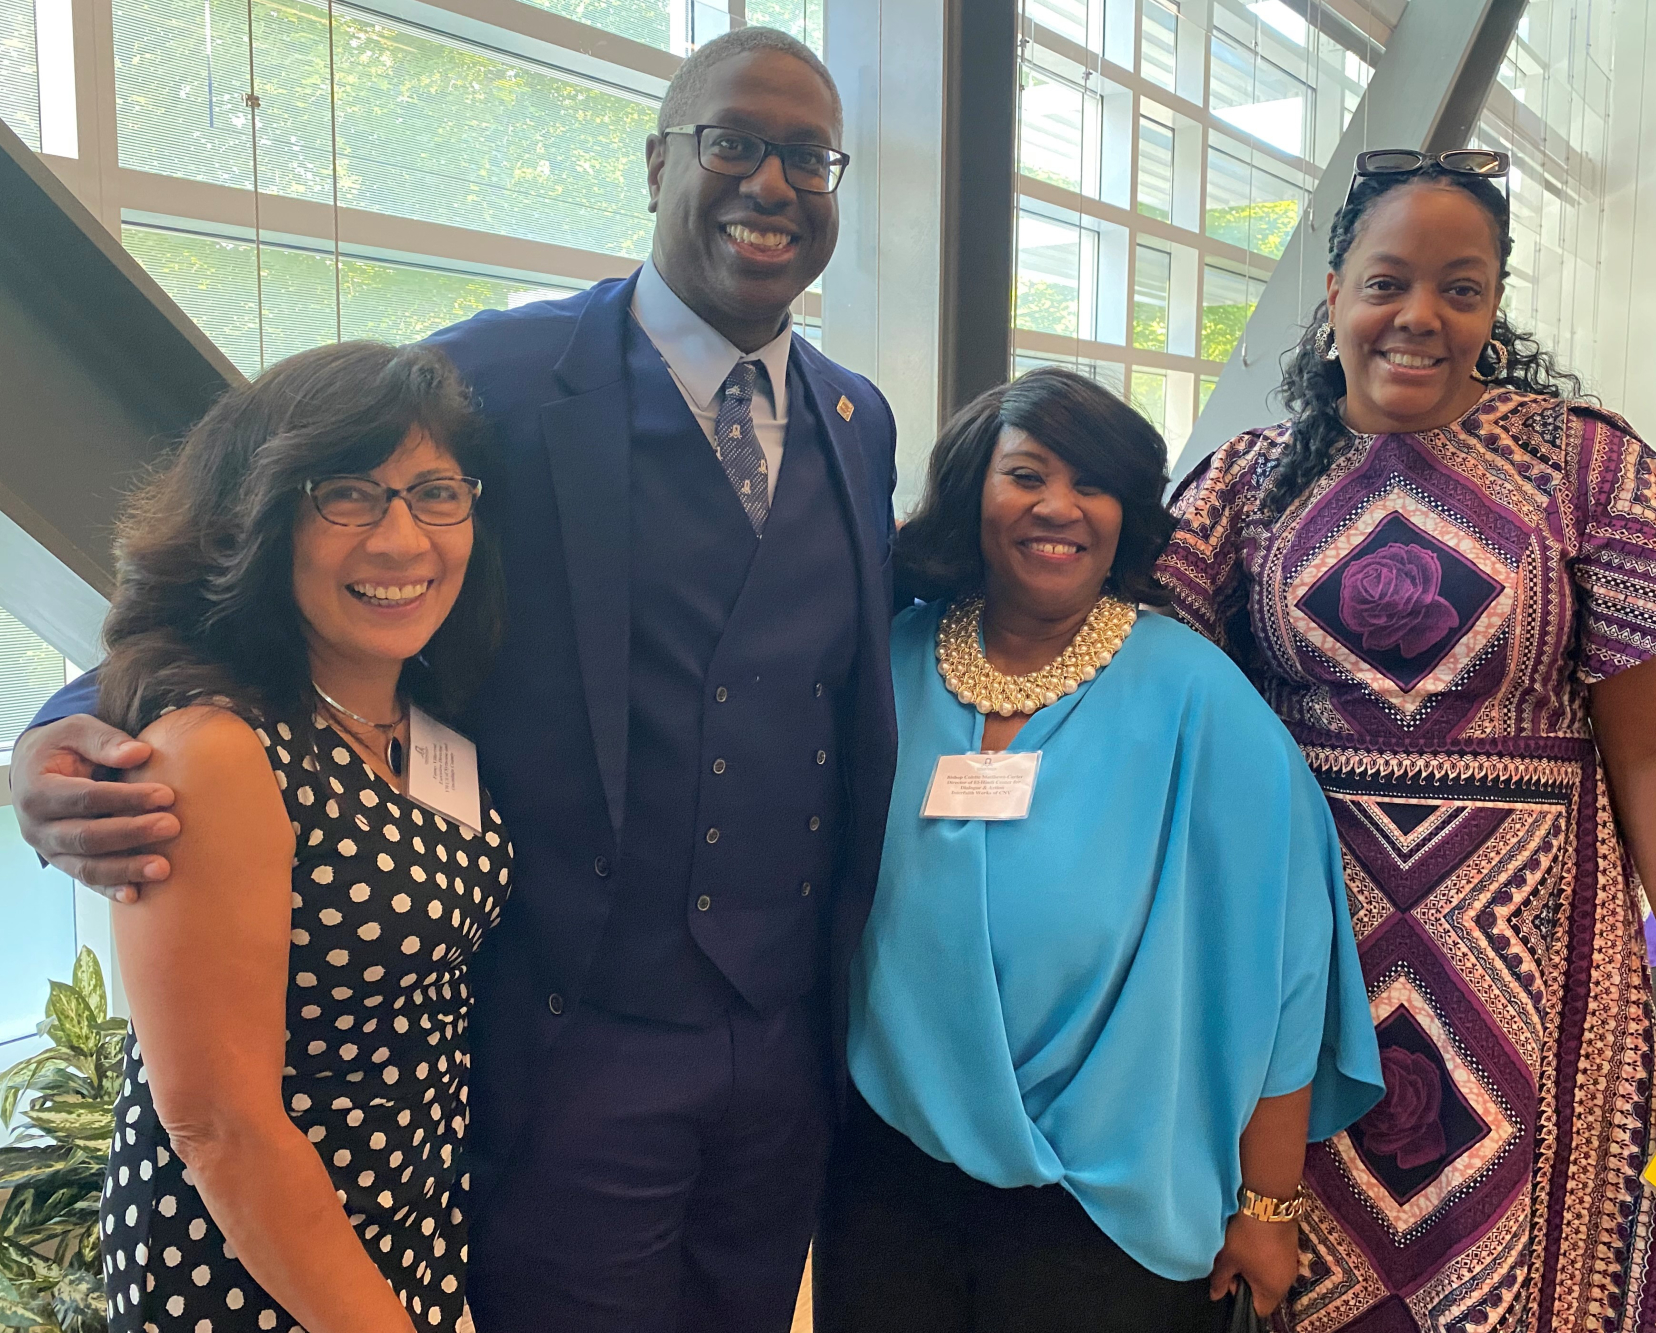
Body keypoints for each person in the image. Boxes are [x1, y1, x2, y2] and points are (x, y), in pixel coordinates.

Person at [12, 26, 897, 1333]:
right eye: (733, 143)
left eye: (808, 156)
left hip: (782, 1041)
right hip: (569, 1033)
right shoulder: (492, 378)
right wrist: (64, 725)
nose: (773, 182)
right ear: (656, 163)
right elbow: (255, 554)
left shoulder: (855, 420)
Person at [1159, 150, 1656, 1330]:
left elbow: (1643, 747)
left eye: (1462, 287)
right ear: (1331, 293)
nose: (1420, 317)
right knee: (1296, 1251)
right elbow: (1159, 710)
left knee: (1523, 1268)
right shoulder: (1247, 482)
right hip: (1308, 951)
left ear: (1493, 306)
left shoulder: (1589, 470)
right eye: (1388, 281)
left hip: (1535, 958)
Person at [813, 367, 1385, 1333]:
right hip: (887, 1175)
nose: (1060, 508)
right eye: (1028, 474)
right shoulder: (891, 668)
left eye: (1093, 484)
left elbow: (1286, 970)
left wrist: (1268, 1204)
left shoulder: (1200, 705)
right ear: (972, 492)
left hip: (1107, 1199)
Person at [89, 340, 510, 1332]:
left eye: (435, 492)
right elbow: (218, 1124)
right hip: (253, 1268)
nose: (404, 540)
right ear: (259, 516)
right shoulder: (217, 751)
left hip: (403, 1227)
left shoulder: (424, 722)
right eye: (349, 495)